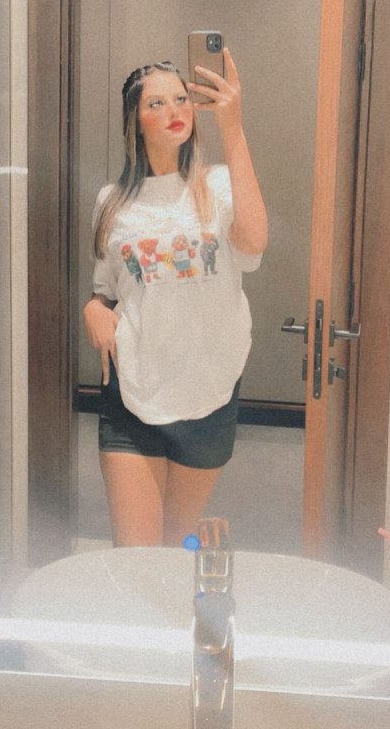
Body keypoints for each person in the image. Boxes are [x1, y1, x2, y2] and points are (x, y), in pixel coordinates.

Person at [82, 49, 268, 547]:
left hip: (208, 395)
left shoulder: (218, 186)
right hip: (132, 392)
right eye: (156, 103)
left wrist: (233, 128)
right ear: (135, 121)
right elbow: (107, 290)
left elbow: (253, 243)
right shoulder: (112, 202)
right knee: (136, 559)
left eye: (181, 99)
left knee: (175, 547)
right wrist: (92, 309)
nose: (174, 110)